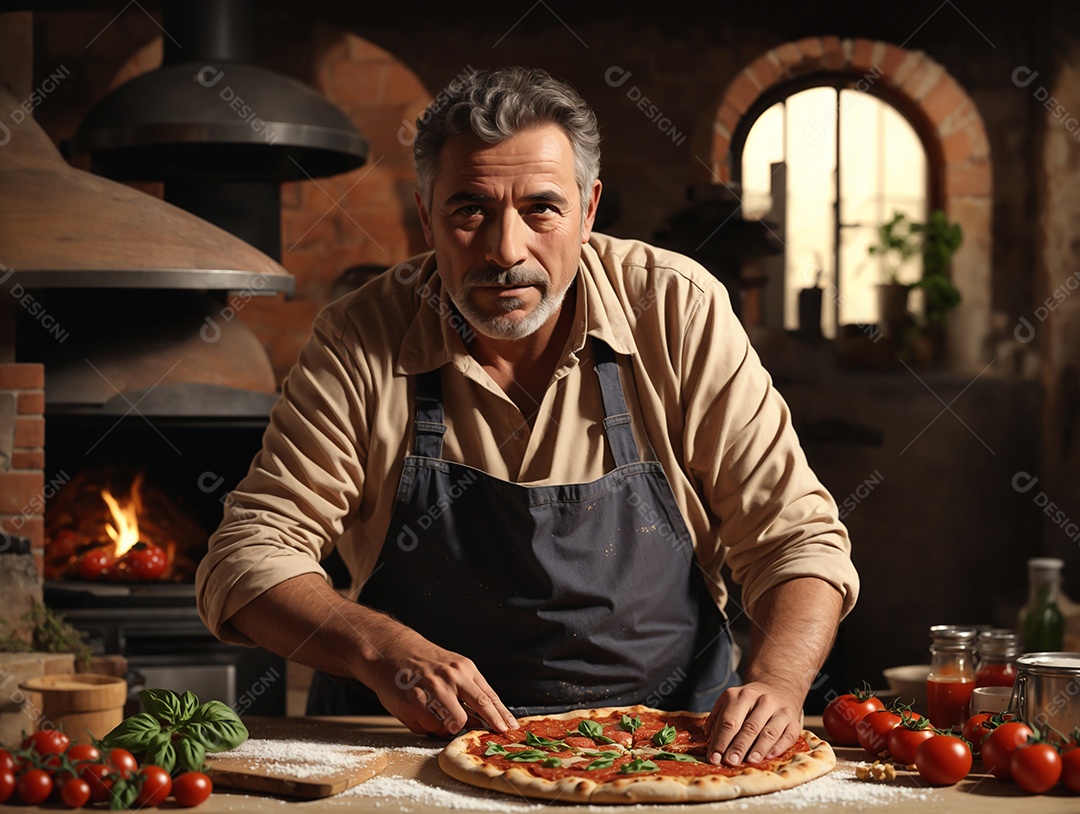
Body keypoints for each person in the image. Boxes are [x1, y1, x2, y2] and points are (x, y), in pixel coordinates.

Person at [195, 66, 859, 768]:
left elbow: (798, 540)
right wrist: (382, 650)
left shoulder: (677, 310)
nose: (505, 252)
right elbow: (247, 558)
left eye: (542, 208)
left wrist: (779, 685)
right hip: (411, 757)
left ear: (589, 208)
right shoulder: (362, 335)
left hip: (668, 755)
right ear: (426, 217)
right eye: (469, 211)